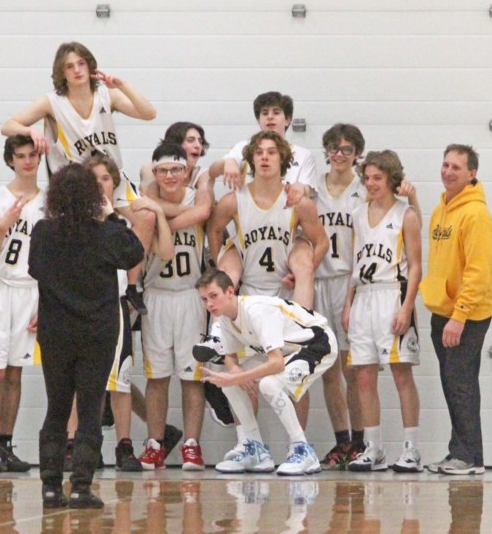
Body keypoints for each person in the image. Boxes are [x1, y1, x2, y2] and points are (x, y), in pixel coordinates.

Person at [1, 41, 157, 315]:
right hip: (75, 184)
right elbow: (7, 125)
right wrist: (32, 132)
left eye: (81, 63)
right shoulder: (52, 102)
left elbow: (149, 113)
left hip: (110, 175)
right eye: (69, 66)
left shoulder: (107, 95)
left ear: (90, 65)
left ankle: (132, 287)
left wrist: (122, 85)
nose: (76, 70)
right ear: (61, 73)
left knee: (146, 217)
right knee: (81, 237)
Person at [28, 163, 145, 508]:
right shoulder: (106, 233)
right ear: (94, 197)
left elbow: (35, 268)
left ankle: (50, 487)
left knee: (57, 409)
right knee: (90, 409)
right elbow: (134, 252)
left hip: (55, 332)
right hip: (97, 333)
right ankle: (81, 487)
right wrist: (111, 217)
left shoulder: (43, 231)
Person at [200, 130, 327, 437]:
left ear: (283, 159)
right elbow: (214, 230)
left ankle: (298, 445)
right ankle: (250, 445)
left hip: (284, 297)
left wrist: (300, 272)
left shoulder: (298, 202)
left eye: (272, 152)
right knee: (244, 379)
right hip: (249, 296)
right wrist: (224, 263)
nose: (266, 157)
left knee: (294, 380)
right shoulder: (234, 200)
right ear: (251, 159)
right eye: (259, 153)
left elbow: (320, 242)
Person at [83, 152, 177, 471]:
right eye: (93, 179)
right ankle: (84, 443)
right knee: (82, 380)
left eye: (106, 179)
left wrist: (130, 210)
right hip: (80, 304)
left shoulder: (126, 219)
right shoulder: (75, 218)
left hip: (116, 301)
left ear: (116, 183)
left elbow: (148, 246)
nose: (99, 185)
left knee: (120, 379)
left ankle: (124, 446)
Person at [197, 269, 336, 476]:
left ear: (230, 291)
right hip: (288, 350)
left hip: (316, 343)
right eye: (204, 299)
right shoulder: (225, 318)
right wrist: (234, 374)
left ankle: (303, 449)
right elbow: (231, 357)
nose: (209, 304)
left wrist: (237, 376)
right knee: (230, 384)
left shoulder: (256, 310)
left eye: (213, 296)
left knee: (269, 384)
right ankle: (255, 449)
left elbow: (276, 364)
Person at [340, 150, 424, 473]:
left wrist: (407, 306)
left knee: (402, 373)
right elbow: (353, 264)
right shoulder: (358, 215)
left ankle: (411, 449)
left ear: (391, 179)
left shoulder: (407, 215)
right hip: (363, 297)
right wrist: (348, 303)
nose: (371, 183)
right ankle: (373, 448)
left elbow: (416, 267)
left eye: (377, 177)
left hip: (393, 294)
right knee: (363, 375)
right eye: (368, 178)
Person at [420, 144, 492, 476]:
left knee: (459, 381)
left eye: (456, 167)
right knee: (455, 382)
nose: (448, 171)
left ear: (472, 174)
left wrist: (459, 316)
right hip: (443, 311)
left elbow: (477, 272)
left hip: (468, 315)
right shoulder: (441, 211)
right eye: (445, 164)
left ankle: (464, 455)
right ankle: (468, 455)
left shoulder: (476, 215)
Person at [138, 142, 212, 470]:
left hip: (190, 296)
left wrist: (159, 210)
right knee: (157, 376)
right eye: (163, 170)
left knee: (191, 376)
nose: (170, 176)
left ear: (186, 172)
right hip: (156, 294)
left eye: (176, 170)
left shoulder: (199, 201)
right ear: (155, 173)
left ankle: (192, 445)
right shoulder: (143, 205)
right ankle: (156, 442)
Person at [208, 91, 319, 309]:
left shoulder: (303, 155)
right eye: (264, 113)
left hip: (285, 230)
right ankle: (219, 337)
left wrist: (301, 187)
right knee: (226, 274)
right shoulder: (243, 148)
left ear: (287, 119)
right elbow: (212, 172)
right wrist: (228, 162)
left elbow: (307, 192)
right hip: (249, 229)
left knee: (303, 264)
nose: (270, 117)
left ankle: (300, 325)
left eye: (276, 113)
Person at [0, 136, 45, 473]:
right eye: (21, 156)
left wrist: (45, 302)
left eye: (33, 155)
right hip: (0, 288)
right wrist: (4, 224)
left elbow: (53, 258)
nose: (28, 161)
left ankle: (6, 444)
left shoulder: (50, 202)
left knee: (17, 372)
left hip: (31, 290)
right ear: (10, 160)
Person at [312, 124, 367, 469]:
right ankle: (341, 440)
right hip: (319, 281)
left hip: (350, 281)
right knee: (328, 367)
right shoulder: (313, 188)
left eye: (347, 149)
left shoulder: (366, 189)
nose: (339, 154)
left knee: (353, 367)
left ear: (357, 154)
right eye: (334, 148)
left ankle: (361, 441)